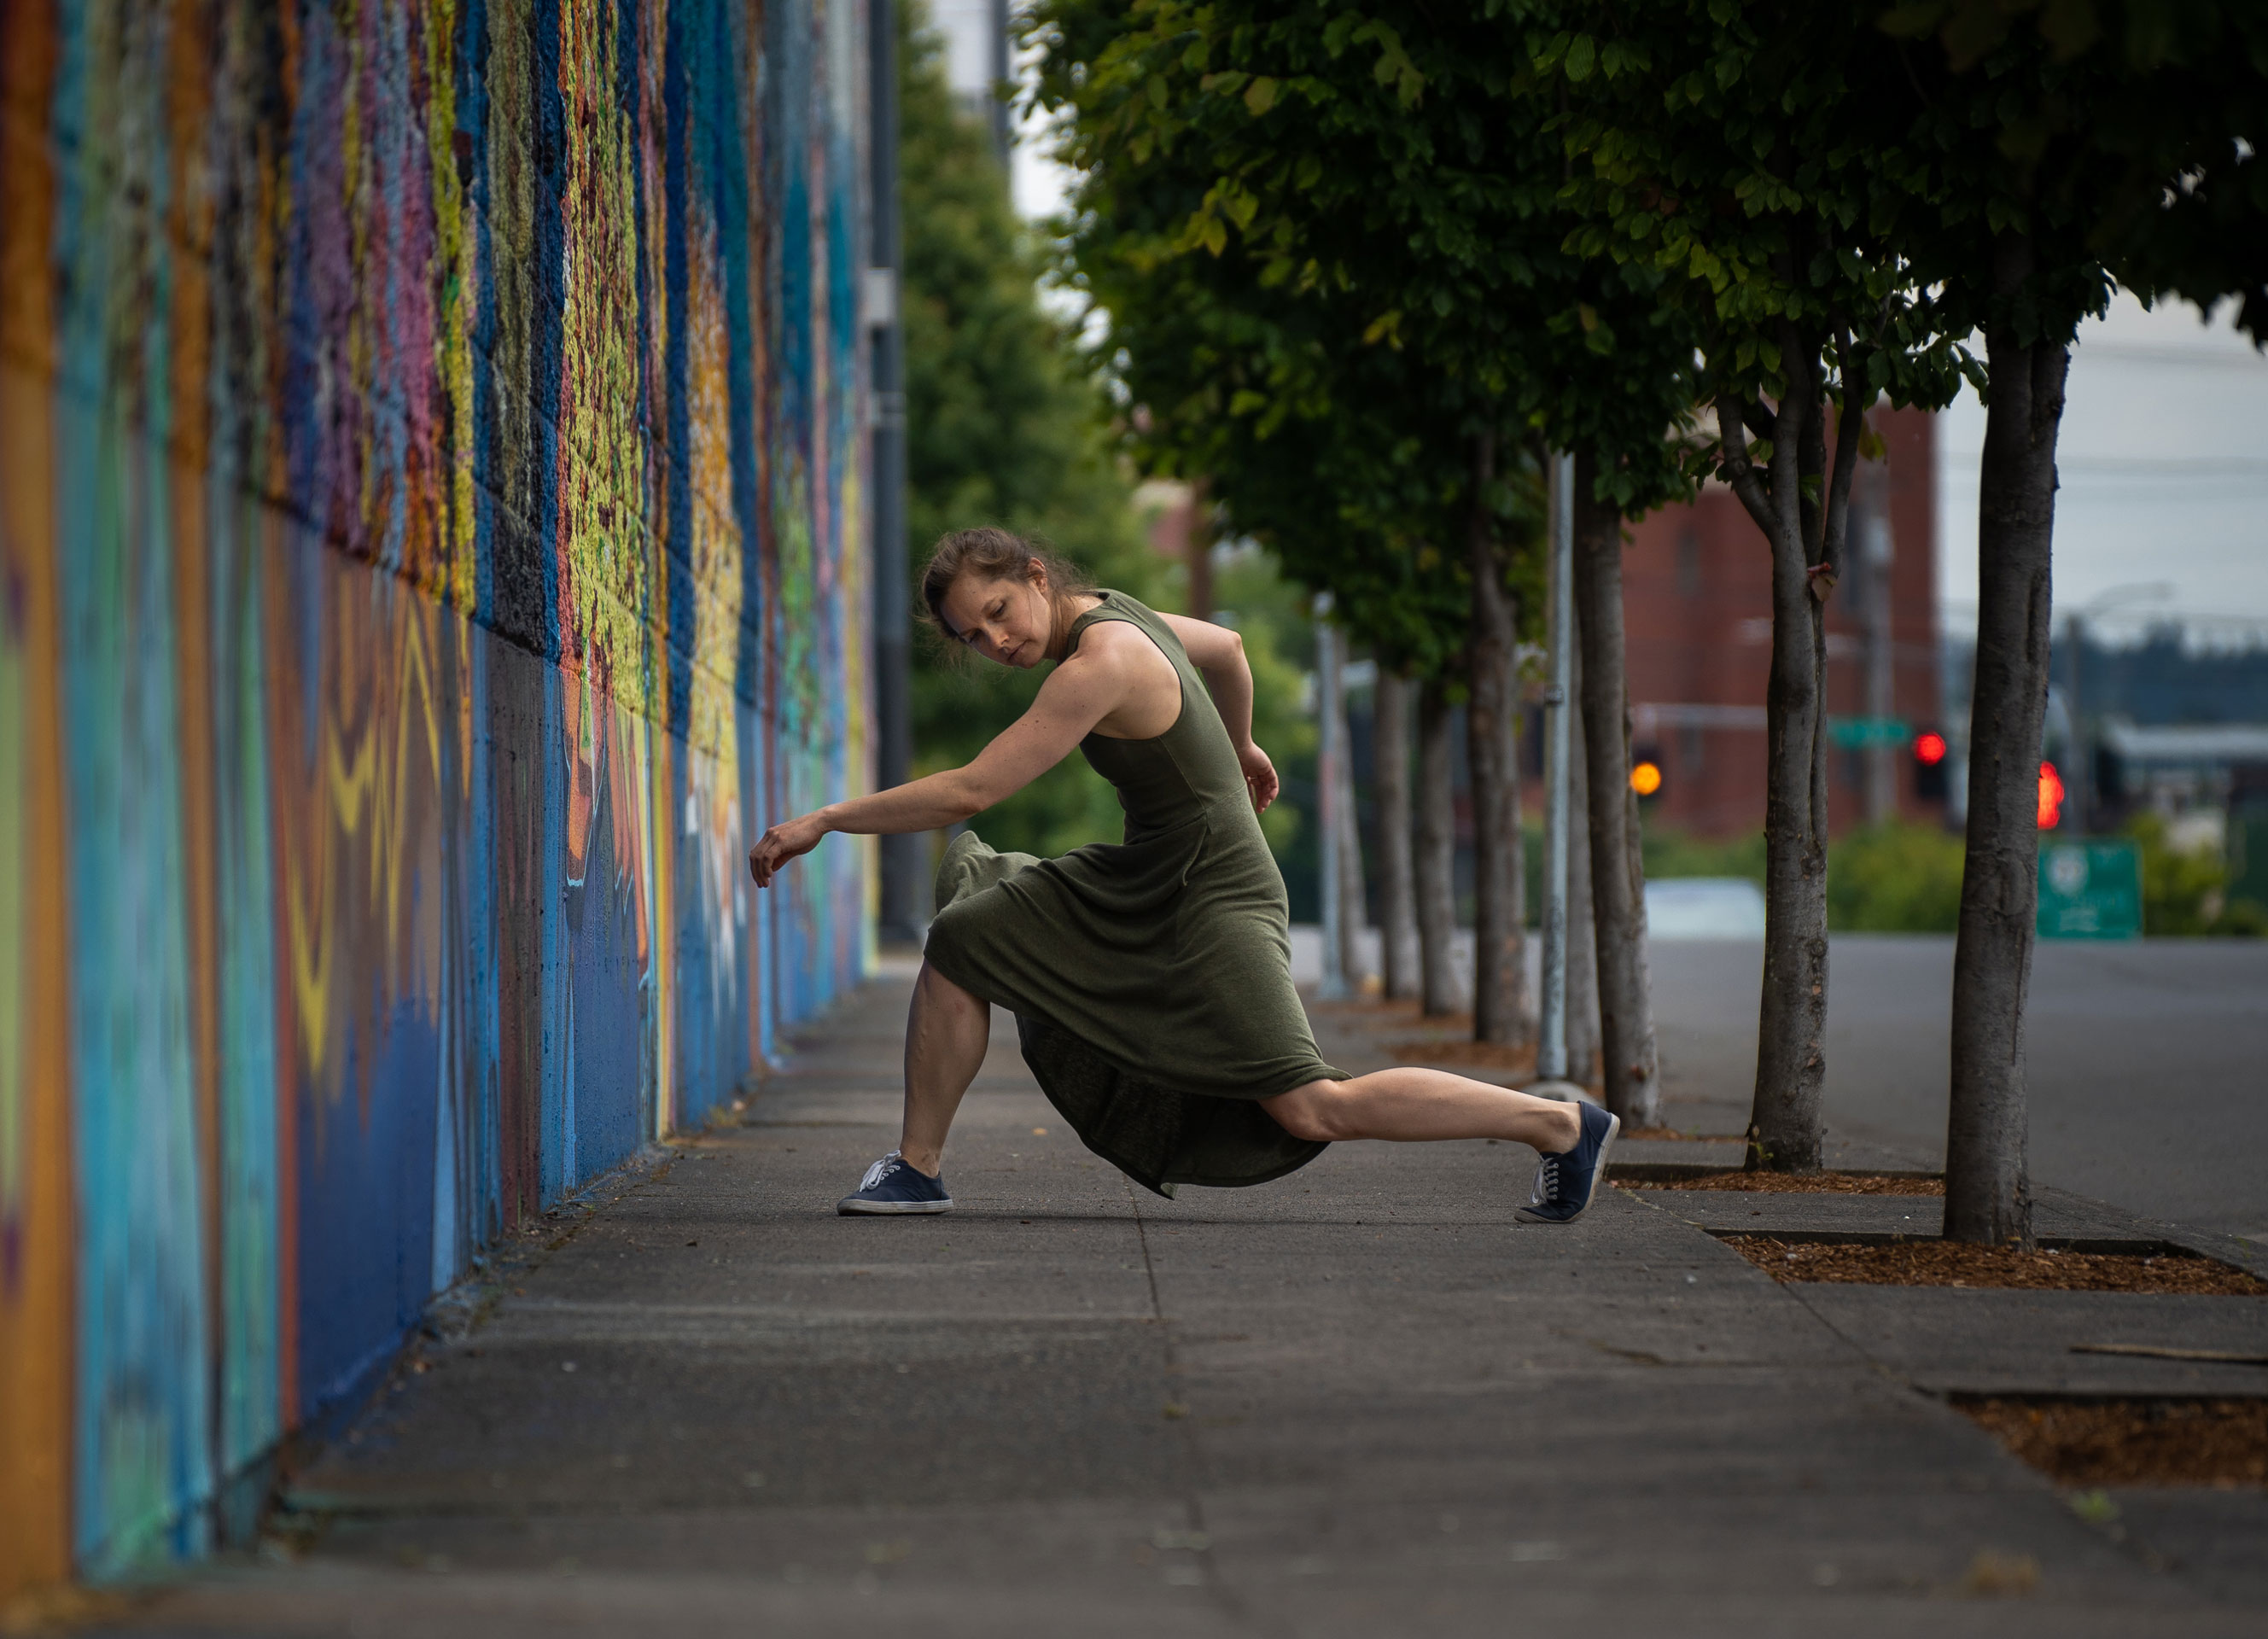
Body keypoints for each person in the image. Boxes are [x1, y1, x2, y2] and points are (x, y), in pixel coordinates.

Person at [747, 528, 1617, 1222]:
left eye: (1000, 610)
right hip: (1149, 872)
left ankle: (1556, 1123)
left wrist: (825, 818)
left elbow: (972, 789)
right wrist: (1237, 743)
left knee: (1308, 1106)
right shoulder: (1118, 614)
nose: (996, 640)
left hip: (1212, 896)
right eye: (972, 635)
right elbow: (1228, 648)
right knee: (967, 937)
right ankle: (917, 1169)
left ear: (1037, 577)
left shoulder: (1100, 662)